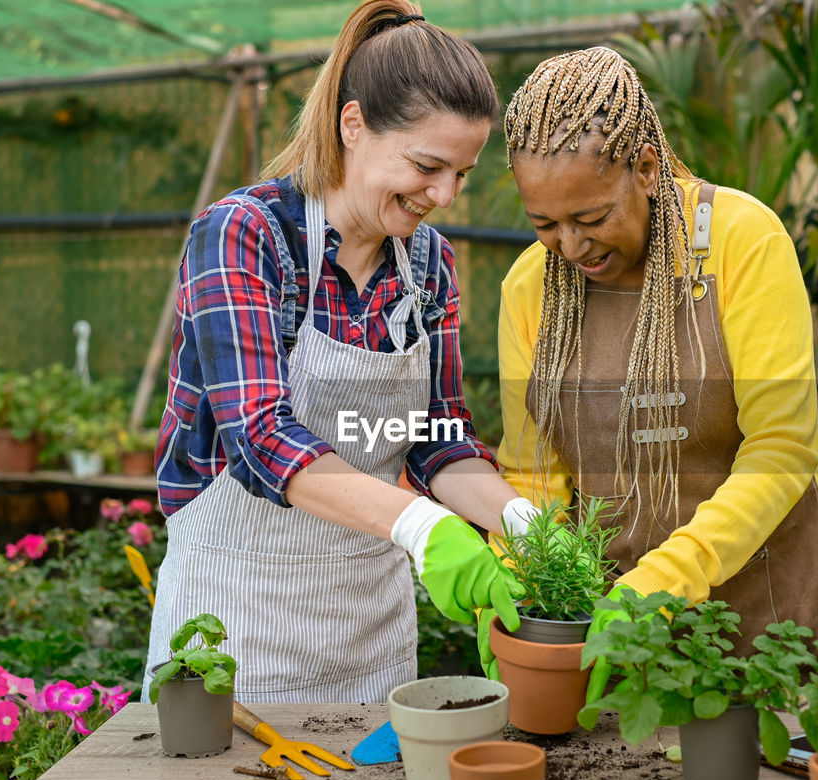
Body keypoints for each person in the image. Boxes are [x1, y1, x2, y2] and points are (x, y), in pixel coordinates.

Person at [146, 0, 542, 704]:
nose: (444, 194)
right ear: (352, 124)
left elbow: (434, 439)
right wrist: (422, 525)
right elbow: (261, 438)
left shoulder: (429, 266)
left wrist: (519, 521)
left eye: (463, 173)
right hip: (233, 626)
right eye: (426, 165)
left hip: (369, 632)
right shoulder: (244, 237)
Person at [487, 46, 818, 701]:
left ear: (646, 169)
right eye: (545, 224)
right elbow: (531, 475)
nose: (571, 246)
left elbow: (783, 449)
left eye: (590, 218)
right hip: (616, 626)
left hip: (765, 597)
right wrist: (516, 589)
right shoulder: (529, 291)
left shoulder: (741, 242)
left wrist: (670, 577)